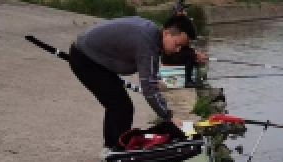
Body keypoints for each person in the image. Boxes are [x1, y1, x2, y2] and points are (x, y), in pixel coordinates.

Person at [68, 15, 197, 151]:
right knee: (120, 105)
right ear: (166, 33)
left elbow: (151, 71)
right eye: (177, 45)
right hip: (85, 59)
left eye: (181, 47)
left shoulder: (152, 34)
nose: (177, 50)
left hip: (93, 58)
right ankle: (115, 151)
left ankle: (112, 147)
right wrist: (168, 117)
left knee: (120, 104)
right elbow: (148, 87)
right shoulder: (147, 41)